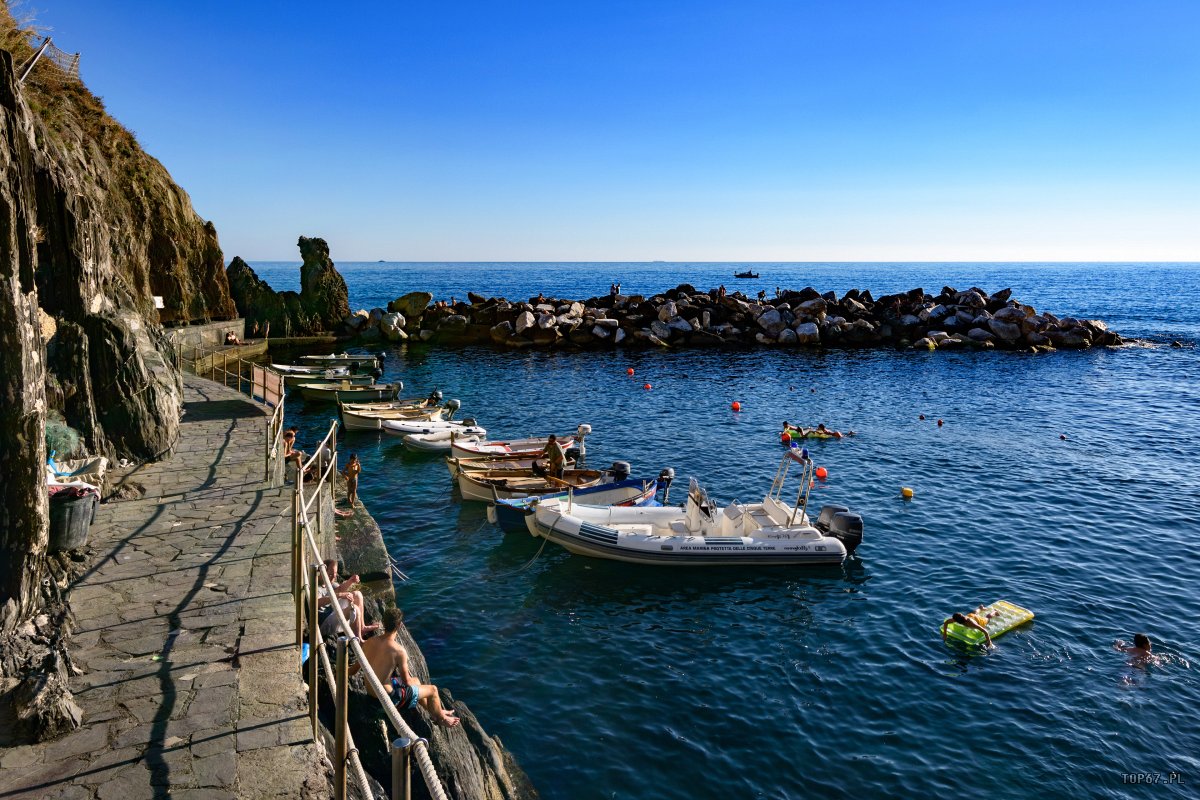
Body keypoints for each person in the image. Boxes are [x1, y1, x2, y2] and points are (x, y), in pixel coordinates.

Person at [351, 608, 460, 727]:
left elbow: (354, 669)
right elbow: (407, 682)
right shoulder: (398, 651)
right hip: (388, 701)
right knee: (433, 690)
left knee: (417, 681)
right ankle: (442, 719)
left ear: (383, 622)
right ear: (399, 625)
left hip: (371, 696)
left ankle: (434, 711)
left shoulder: (369, 642)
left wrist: (338, 672)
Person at [318, 560, 378, 639]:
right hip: (324, 623)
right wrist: (340, 595)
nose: (333, 578)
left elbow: (339, 589)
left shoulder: (329, 583)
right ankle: (359, 641)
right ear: (322, 572)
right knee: (354, 609)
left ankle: (362, 627)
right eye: (330, 574)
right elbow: (317, 602)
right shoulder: (315, 585)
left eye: (335, 575)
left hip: (332, 612)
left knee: (357, 595)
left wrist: (351, 581)